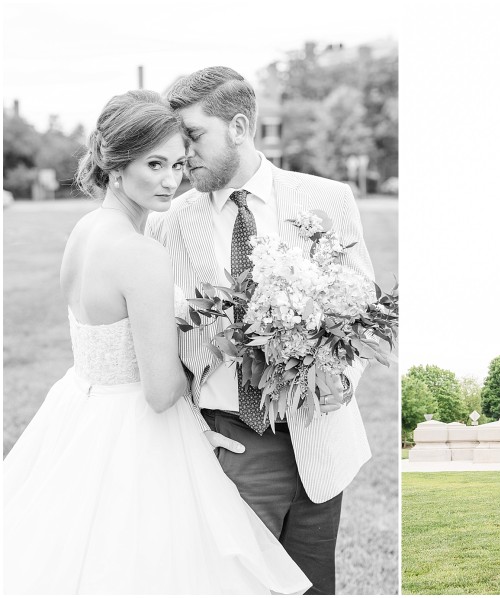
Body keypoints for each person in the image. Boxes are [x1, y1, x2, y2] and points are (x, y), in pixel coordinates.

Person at [2, 90, 310, 595]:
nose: (172, 180)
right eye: (155, 165)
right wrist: (219, 352)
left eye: (179, 165)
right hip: (136, 435)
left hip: (80, 412)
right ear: (114, 164)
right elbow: (160, 390)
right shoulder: (140, 253)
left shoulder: (84, 231)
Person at [147, 66, 375, 595]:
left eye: (194, 136)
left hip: (321, 439)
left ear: (240, 127)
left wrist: (344, 377)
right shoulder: (170, 223)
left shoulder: (327, 199)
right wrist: (197, 435)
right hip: (232, 445)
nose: (184, 156)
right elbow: (161, 344)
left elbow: (360, 302)